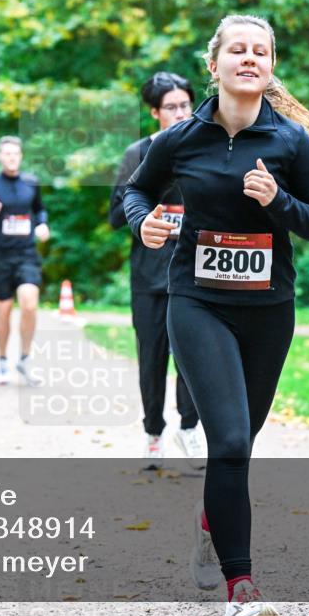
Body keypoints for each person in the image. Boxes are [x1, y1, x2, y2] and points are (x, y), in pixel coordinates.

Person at [124, 15, 309, 616]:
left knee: (240, 446)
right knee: (231, 440)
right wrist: (146, 221)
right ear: (213, 64)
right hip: (197, 301)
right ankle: (241, 591)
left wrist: (280, 201)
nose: (250, 59)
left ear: (271, 66)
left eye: (261, 51)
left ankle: (210, 522)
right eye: (237, 50)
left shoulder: (290, 142)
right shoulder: (181, 138)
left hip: (269, 310)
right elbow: (136, 193)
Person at [109, 72, 204, 470]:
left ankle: (190, 428)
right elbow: (116, 216)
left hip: (195, 276)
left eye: (186, 105)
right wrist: (149, 213)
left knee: (194, 359)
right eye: (171, 108)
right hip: (149, 279)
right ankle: (152, 432)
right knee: (151, 359)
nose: (181, 114)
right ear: (154, 113)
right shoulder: (137, 155)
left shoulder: (205, 150)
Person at [0, 136, 49, 385]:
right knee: (4, 308)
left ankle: (25, 359)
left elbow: (39, 209)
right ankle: (2, 360)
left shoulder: (31, 182)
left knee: (29, 303)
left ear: (21, 155)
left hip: (26, 253)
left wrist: (42, 225)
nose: (12, 157)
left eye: (15, 153)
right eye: (7, 154)